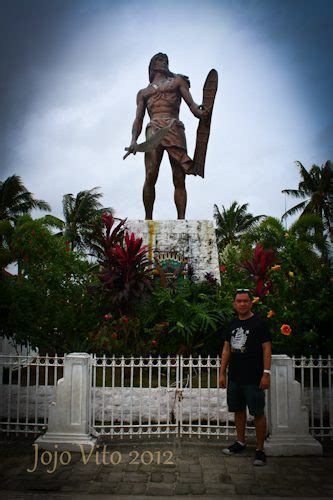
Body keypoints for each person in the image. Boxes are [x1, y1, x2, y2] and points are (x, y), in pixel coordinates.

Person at [126, 53, 210, 220]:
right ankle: (148, 219)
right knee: (151, 174)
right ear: (152, 65)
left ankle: (181, 219)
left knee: (179, 176)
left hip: (174, 128)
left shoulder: (177, 81)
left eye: (166, 61)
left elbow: (192, 106)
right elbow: (138, 119)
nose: (163, 63)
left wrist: (201, 113)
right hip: (153, 130)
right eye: (159, 60)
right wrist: (134, 140)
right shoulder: (143, 92)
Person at [219, 289, 272, 466]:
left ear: (251, 303)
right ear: (234, 304)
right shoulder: (232, 324)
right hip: (234, 377)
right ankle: (240, 441)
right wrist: (221, 372)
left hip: (254, 377)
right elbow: (227, 349)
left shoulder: (259, 324)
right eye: (239, 301)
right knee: (238, 410)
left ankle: (260, 450)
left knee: (258, 412)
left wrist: (266, 373)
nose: (242, 304)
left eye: (245, 301)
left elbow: (266, 349)